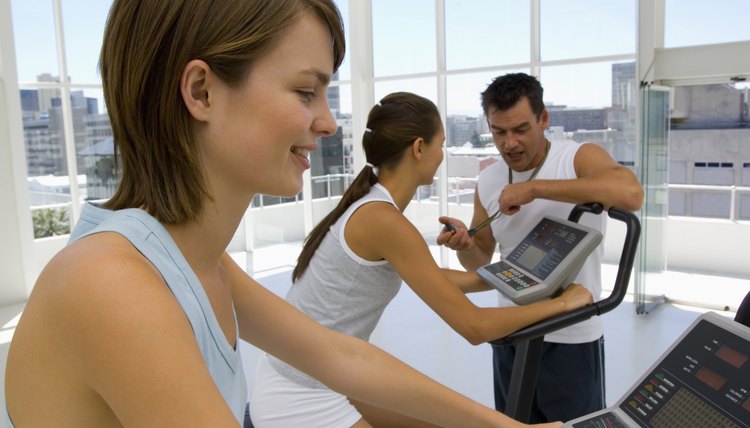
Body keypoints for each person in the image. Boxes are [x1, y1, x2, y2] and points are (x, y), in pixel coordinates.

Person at [2, 2, 567, 427]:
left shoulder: (189, 259)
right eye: (305, 92)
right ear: (201, 91)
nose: (327, 122)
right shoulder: (113, 286)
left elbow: (340, 355)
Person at [250, 91, 593, 428]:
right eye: (440, 144)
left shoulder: (373, 204)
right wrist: (565, 304)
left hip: (316, 374)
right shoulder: (384, 221)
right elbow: (475, 328)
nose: (441, 154)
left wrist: (509, 274)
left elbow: (432, 277)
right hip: (301, 396)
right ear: (418, 148)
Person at [437, 72, 644, 423]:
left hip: (572, 336)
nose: (510, 143)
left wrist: (534, 190)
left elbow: (631, 194)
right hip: (512, 331)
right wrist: (464, 244)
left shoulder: (577, 158)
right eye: (499, 132)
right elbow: (478, 261)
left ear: (543, 119)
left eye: (520, 129)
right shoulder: (487, 180)